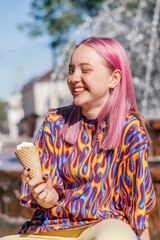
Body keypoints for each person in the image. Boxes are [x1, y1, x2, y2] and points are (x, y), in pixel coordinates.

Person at [1, 37, 156, 240]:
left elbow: (137, 207)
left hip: (105, 227)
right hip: (52, 228)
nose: (74, 78)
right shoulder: (54, 123)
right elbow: (51, 196)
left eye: (85, 70)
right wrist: (44, 195)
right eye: (71, 70)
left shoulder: (130, 129)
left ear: (114, 78)